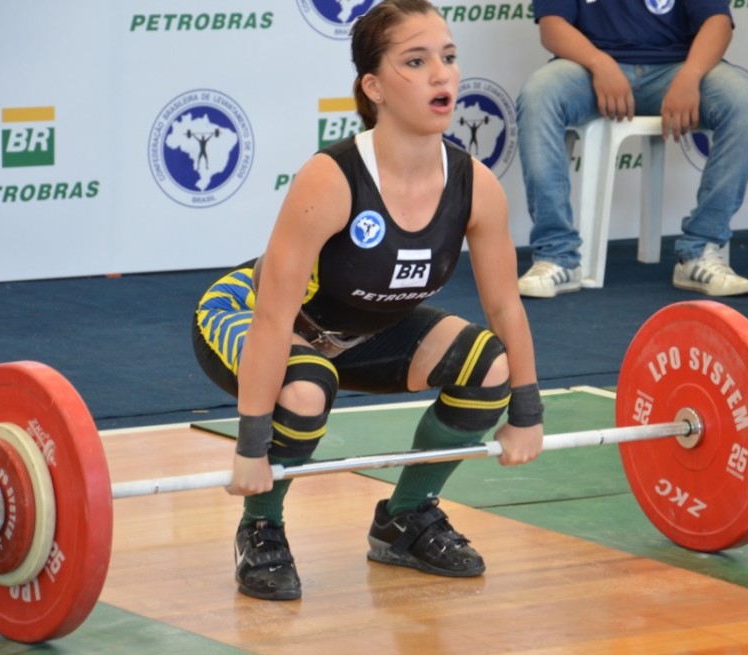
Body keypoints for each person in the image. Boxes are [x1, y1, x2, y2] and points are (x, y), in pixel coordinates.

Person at [191, 0, 545, 601]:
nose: (442, 74)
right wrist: (252, 448)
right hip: (252, 317)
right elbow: (274, 314)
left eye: (449, 57)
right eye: (417, 60)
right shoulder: (331, 179)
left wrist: (526, 413)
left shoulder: (474, 185)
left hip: (367, 333)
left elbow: (506, 307)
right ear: (374, 86)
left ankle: (405, 520)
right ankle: (262, 526)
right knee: (305, 391)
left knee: (489, 367)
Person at [516, 0, 748, 298]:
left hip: (677, 67)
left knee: (744, 102)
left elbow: (717, 22)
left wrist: (691, 75)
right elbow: (552, 26)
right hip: (588, 69)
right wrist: (600, 63)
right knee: (538, 96)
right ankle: (557, 256)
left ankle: (699, 251)